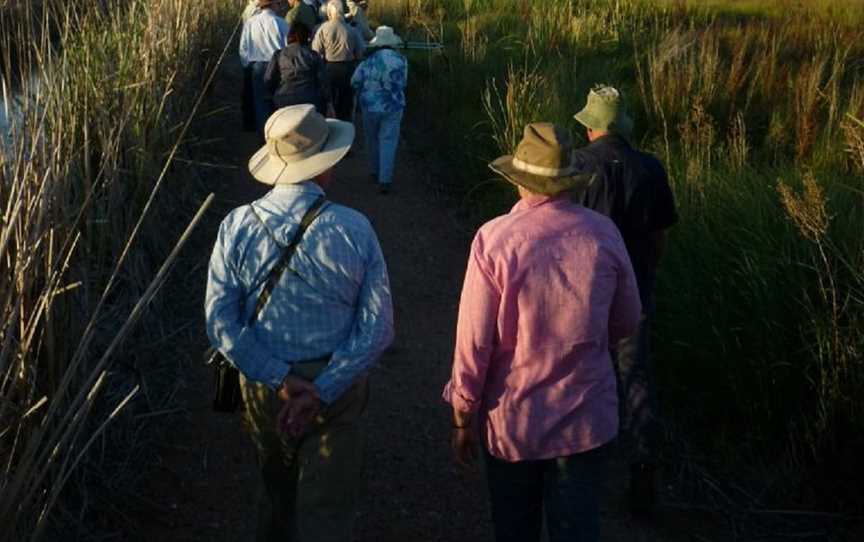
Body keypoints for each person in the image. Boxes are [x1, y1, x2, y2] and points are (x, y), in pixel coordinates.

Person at [443, 123, 642, 542]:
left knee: (515, 527)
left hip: (514, 418)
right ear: (570, 181)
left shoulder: (493, 240)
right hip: (586, 416)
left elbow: (474, 342)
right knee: (578, 528)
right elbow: (627, 320)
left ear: (519, 182)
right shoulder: (604, 233)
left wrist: (463, 413)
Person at [205, 104, 394, 542]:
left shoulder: (236, 227)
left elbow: (220, 323)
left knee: (274, 491)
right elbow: (379, 327)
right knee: (328, 509)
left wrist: (279, 379)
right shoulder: (355, 229)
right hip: (338, 385)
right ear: (324, 166)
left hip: (264, 384)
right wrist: (323, 389)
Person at [571, 85, 678, 518]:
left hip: (583, 292)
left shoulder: (578, 166)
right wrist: (647, 275)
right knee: (635, 376)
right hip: (635, 288)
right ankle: (642, 470)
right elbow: (658, 237)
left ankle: (578, 459)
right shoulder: (650, 168)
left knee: (579, 371)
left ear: (592, 127)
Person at [350, 26, 407, 194]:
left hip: (370, 105)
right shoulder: (401, 60)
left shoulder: (368, 61)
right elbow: (403, 82)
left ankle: (375, 172)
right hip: (394, 105)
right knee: (389, 140)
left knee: (372, 139)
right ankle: (385, 179)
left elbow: (354, 81)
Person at [239, 0, 290, 136]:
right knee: (276, 99)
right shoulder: (281, 23)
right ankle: (277, 133)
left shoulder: (250, 23)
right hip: (277, 65)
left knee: (260, 101)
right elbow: (287, 47)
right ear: (273, 5)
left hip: (257, 65)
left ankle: (263, 134)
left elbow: (243, 48)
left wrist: (247, 65)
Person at [312, 0, 366, 122]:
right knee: (345, 99)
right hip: (347, 68)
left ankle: (330, 123)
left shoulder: (323, 29)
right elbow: (360, 53)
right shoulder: (351, 30)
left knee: (329, 99)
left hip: (328, 67)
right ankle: (345, 125)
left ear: (329, 13)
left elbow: (316, 51)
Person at [265, 22, 329, 114]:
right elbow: (323, 81)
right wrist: (328, 102)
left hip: (283, 99)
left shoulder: (278, 54)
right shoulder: (314, 55)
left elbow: (268, 79)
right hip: (310, 100)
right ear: (307, 37)